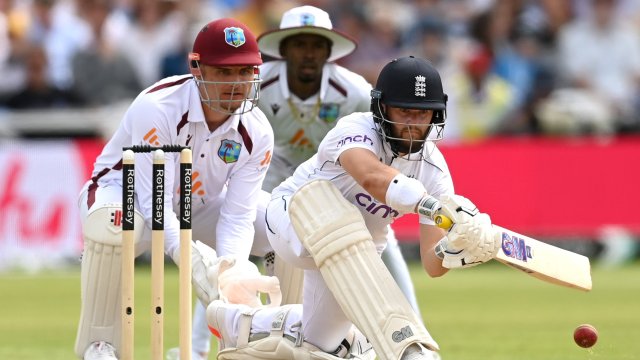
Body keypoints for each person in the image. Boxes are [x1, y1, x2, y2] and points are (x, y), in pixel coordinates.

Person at [205, 56, 499, 360]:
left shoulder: (434, 170)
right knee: (342, 222)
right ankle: (404, 346)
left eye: (423, 115)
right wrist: (433, 207)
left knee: (318, 345)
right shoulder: (356, 128)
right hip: (294, 218)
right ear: (382, 108)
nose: (413, 124)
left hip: (355, 259)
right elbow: (371, 177)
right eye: (404, 111)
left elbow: (431, 264)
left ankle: (238, 321)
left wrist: (458, 247)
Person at [186, 6, 424, 358]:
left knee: (381, 243)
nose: (309, 54)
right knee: (234, 258)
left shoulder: (354, 90)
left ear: (329, 52)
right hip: (273, 181)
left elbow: (378, 135)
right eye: (300, 44)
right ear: (284, 49)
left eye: (317, 45)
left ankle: (414, 335)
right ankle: (196, 347)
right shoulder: (258, 85)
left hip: (332, 181)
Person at [74, 18, 274, 360]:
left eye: (245, 71)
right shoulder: (159, 108)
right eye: (224, 72)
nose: (237, 84)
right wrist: (192, 261)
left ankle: (280, 337)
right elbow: (156, 203)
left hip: (196, 205)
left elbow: (238, 215)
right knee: (113, 224)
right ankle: (100, 344)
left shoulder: (257, 130)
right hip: (125, 195)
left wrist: (227, 271)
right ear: (196, 67)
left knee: (279, 220)